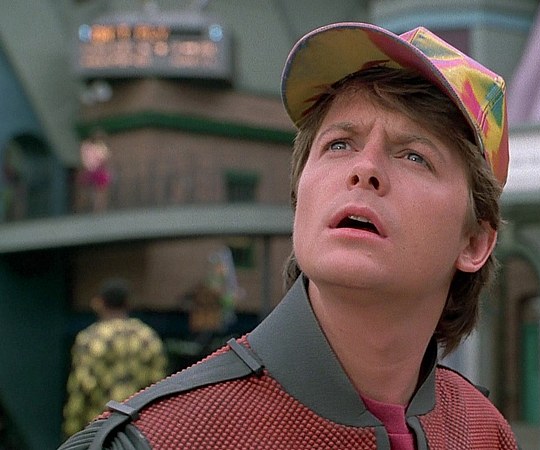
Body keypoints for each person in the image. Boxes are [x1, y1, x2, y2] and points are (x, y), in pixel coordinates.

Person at [59, 21, 516, 449]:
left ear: (474, 242)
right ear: (299, 196)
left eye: (415, 156)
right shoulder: (157, 440)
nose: (364, 169)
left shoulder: (483, 433)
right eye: (339, 144)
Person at [62, 278, 168, 438]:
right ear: (128, 303)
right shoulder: (147, 337)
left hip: (99, 432)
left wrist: (72, 435)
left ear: (99, 303)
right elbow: (159, 387)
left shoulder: (90, 339)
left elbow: (81, 389)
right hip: (139, 432)